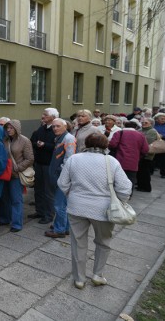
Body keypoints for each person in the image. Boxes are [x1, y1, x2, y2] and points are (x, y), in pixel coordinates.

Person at [58, 133, 132, 289]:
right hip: (104, 210)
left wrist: (71, 195)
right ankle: (98, 275)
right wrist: (120, 201)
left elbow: (62, 183)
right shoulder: (112, 162)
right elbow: (125, 188)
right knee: (103, 242)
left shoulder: (74, 159)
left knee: (78, 243)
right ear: (106, 145)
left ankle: (79, 279)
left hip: (77, 207)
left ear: (87, 143)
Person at [45, 118, 76, 238]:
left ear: (65, 127)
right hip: (59, 176)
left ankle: (59, 230)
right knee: (62, 203)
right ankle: (64, 226)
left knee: (59, 204)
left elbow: (70, 159)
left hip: (63, 177)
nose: (55, 128)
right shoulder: (60, 138)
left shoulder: (68, 138)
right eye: (53, 126)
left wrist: (60, 173)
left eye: (58, 126)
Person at [1, 120, 35, 230]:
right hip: (5, 174)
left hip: (16, 175)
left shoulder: (24, 141)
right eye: (7, 128)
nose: (8, 130)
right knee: (5, 198)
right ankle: (6, 218)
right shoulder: (5, 140)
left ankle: (17, 223)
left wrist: (17, 168)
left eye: (11, 128)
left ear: (16, 128)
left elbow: (30, 159)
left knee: (16, 200)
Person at [29, 108, 58, 223]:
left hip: (49, 164)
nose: (42, 116)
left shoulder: (56, 129)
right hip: (39, 163)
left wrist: (44, 145)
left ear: (53, 117)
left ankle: (49, 215)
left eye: (45, 115)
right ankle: (39, 211)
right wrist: (37, 144)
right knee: (38, 189)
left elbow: (56, 146)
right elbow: (32, 141)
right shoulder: (41, 128)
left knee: (48, 191)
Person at [108, 121, 149, 193]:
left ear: (124, 125)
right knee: (131, 178)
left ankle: (116, 194)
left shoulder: (119, 133)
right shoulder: (141, 135)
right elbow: (145, 149)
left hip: (119, 159)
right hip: (134, 161)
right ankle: (128, 194)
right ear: (135, 127)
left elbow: (112, 145)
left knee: (117, 178)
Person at [137, 118, 158, 192]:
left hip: (147, 154)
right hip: (139, 153)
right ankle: (140, 185)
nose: (143, 124)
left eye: (146, 123)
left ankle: (146, 187)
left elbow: (148, 141)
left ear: (151, 123)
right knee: (140, 171)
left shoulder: (152, 131)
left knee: (145, 171)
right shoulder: (140, 130)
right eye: (142, 122)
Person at [153, 112, 165, 178]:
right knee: (153, 157)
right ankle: (152, 169)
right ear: (156, 119)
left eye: (164, 118)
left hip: (164, 142)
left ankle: (164, 173)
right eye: (161, 118)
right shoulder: (154, 125)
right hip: (154, 142)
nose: (163, 120)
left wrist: (163, 135)